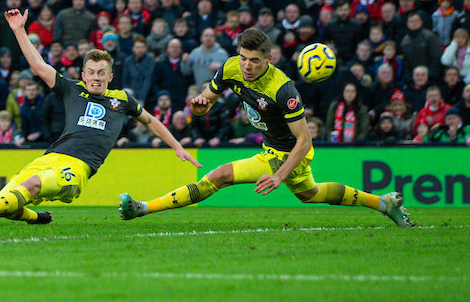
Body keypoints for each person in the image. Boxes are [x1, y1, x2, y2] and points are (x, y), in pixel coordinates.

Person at [119, 28, 415, 227]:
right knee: (309, 193)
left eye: (255, 61)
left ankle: (143, 207)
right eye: (244, 59)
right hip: (270, 147)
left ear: (269, 59)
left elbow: (305, 141)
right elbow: (206, 99)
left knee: (218, 176)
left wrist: (279, 175)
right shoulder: (231, 67)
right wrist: (200, 105)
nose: (247, 66)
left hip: (288, 153)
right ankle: (384, 203)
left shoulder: (283, 90)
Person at [0, 9, 200, 226]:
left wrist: (177, 146)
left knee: (30, 186)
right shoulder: (72, 89)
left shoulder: (122, 99)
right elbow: (38, 64)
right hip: (50, 157)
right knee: (7, 202)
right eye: (91, 73)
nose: (96, 78)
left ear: (110, 76)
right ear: (84, 75)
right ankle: (35, 217)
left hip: (77, 167)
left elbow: (149, 121)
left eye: (101, 73)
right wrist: (19, 30)